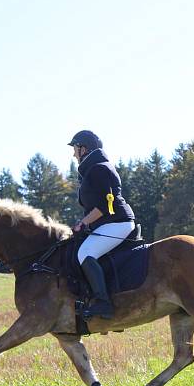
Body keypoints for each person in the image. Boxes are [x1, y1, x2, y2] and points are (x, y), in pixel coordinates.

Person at [69, 130, 135, 319]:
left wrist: (83, 223)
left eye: (75, 149)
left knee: (85, 253)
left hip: (117, 222)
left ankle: (104, 304)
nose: (73, 154)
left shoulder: (99, 168)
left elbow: (104, 206)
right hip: (109, 224)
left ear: (83, 149)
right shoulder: (93, 168)